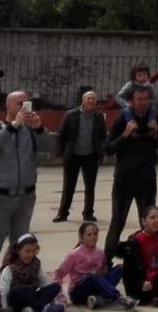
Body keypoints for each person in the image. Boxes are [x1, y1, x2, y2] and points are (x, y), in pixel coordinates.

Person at [0, 91, 46, 277]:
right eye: (19, 103)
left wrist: (39, 128)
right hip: (0, 196)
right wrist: (13, 125)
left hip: (25, 196)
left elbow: (51, 150)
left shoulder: (30, 131)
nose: (24, 107)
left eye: (26, 103)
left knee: (19, 246)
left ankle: (15, 284)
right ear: (8, 106)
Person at [102, 86, 158, 260]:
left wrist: (155, 134)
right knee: (117, 222)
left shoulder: (155, 120)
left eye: (147, 99)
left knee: (148, 224)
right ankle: (106, 263)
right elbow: (107, 149)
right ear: (131, 101)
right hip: (124, 180)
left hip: (147, 179)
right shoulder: (122, 120)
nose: (144, 103)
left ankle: (147, 262)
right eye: (140, 99)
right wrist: (124, 135)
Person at [52, 223, 133, 310]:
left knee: (119, 268)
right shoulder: (74, 255)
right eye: (89, 235)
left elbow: (103, 273)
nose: (93, 237)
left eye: (95, 234)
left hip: (95, 286)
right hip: (78, 291)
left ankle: (99, 299)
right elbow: (58, 274)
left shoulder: (100, 253)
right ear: (81, 237)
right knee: (93, 275)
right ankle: (119, 298)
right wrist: (60, 297)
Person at [54, 92, 105, 224]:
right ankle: (63, 213)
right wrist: (60, 154)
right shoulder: (71, 115)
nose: (91, 101)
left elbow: (102, 135)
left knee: (90, 187)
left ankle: (88, 213)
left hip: (91, 156)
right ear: (83, 100)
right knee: (68, 186)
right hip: (73, 155)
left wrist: (101, 151)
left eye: (94, 99)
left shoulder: (99, 117)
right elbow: (61, 134)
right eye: (89, 98)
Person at [0, 234, 65, 312]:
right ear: (17, 251)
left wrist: (52, 302)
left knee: (55, 286)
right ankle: (42, 309)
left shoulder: (36, 264)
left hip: (32, 297)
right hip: (16, 301)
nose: (31, 255)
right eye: (27, 251)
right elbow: (3, 292)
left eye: (33, 251)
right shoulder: (9, 268)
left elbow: (44, 282)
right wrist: (5, 308)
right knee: (19, 289)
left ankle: (40, 308)